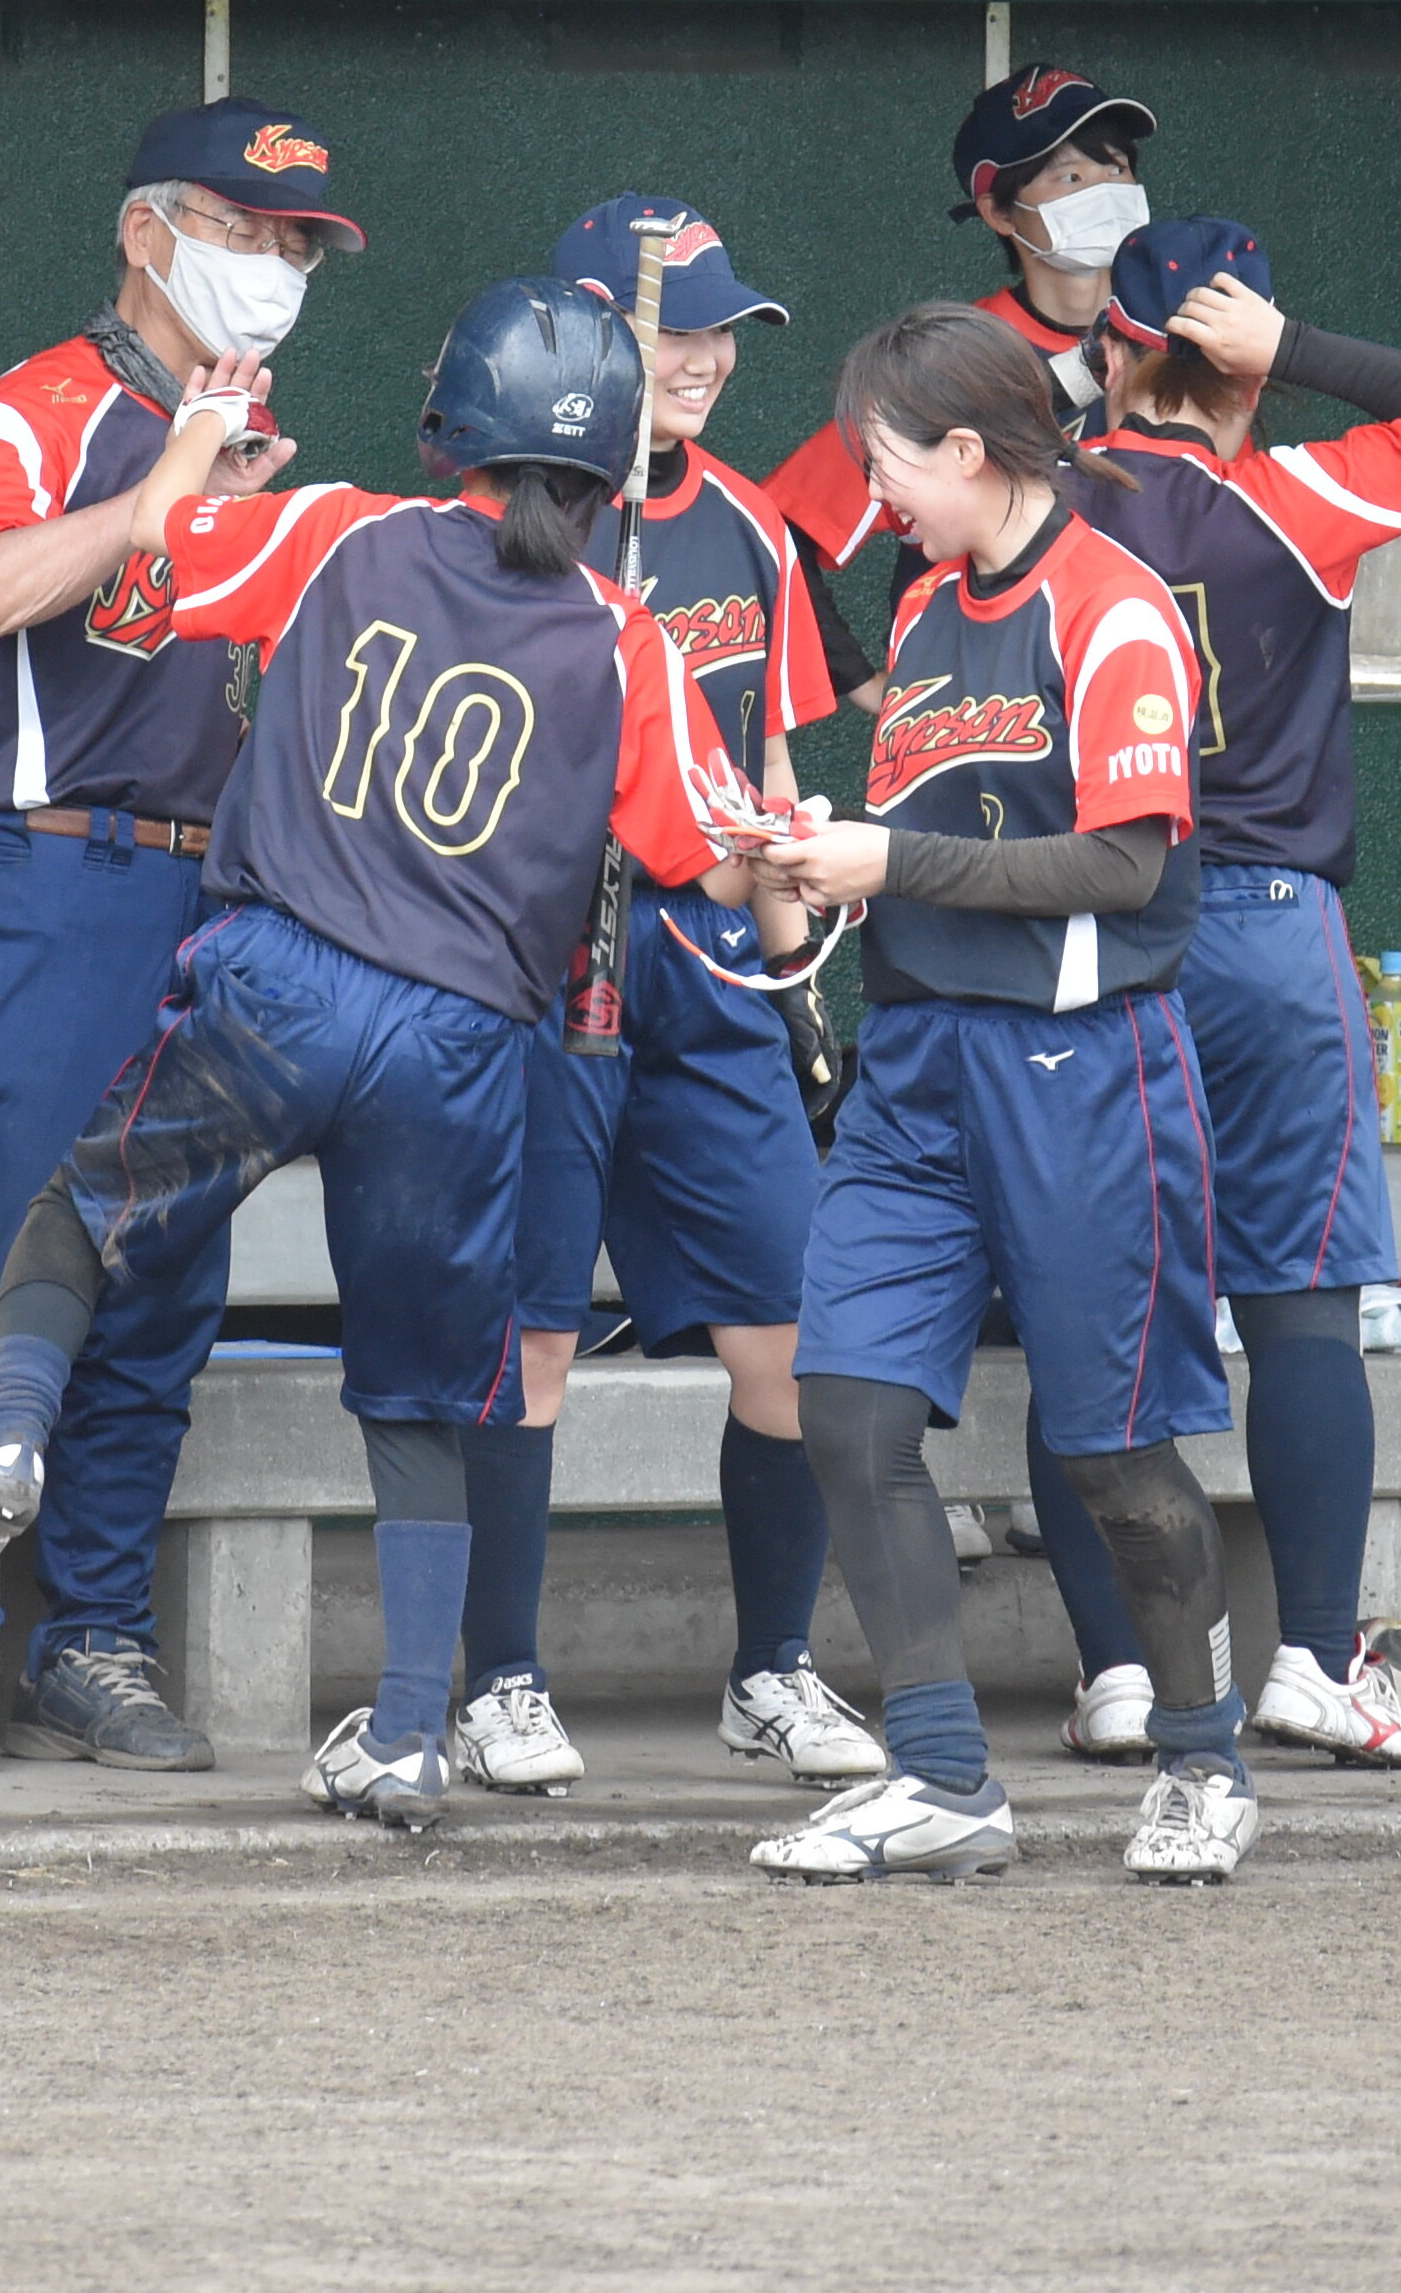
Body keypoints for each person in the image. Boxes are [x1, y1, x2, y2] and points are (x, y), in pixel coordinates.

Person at [0, 279, 758, 1834]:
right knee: (422, 1394)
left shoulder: (352, 530)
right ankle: (415, 1735)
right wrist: (811, 859)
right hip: (462, 1040)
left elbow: (167, 552)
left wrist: (201, 458)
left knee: (79, 1221)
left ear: (453, 427)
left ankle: (11, 1434)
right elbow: (699, 848)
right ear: (614, 472)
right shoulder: (628, 638)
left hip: (275, 982)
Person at [0, 101, 355, 1777]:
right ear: (146, 235)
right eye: (244, 229)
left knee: (163, 1282)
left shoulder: (257, 432)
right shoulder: (40, 404)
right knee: (4, 1266)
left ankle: (87, 1639)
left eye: (297, 243)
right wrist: (158, 492)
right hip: (37, 874)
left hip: (201, 890)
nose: (274, 265)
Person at [741, 304, 1256, 1884]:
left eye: (888, 463)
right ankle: (949, 1779)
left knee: (1111, 1454)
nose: (875, 493)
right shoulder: (920, 613)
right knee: (850, 1408)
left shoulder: (1111, 611)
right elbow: (931, 832)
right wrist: (826, 865)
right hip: (917, 1064)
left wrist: (891, 860)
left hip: (1085, 1070)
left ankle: (1204, 1757)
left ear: (971, 452)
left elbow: (1127, 861)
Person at [1027, 215, 1401, 1769]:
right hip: (1269, 926)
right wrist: (1290, 353)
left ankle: (1123, 1667)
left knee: (1092, 1312)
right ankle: (1311, 1659)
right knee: (1301, 1313)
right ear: (1238, 366)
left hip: (1094, 927)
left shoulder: (1045, 513)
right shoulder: (1291, 489)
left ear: (1116, 350)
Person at [452, 196, 878, 1799]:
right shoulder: (511, 513)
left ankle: (771, 1671)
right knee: (538, 1347)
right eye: (669, 324)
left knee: (791, 1346)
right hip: (545, 972)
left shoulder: (757, 527)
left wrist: (793, 984)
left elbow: (771, 772)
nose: (700, 356)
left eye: (721, 329)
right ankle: (500, 1680)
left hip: (703, 967)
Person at [761, 66, 1158, 698]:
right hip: (981, 713)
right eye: (1073, 177)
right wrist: (861, 681)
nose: (1106, 193)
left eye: (1118, 170)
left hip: (1135, 689)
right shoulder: (950, 358)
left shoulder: (1179, 340)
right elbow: (771, 532)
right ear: (1000, 212)